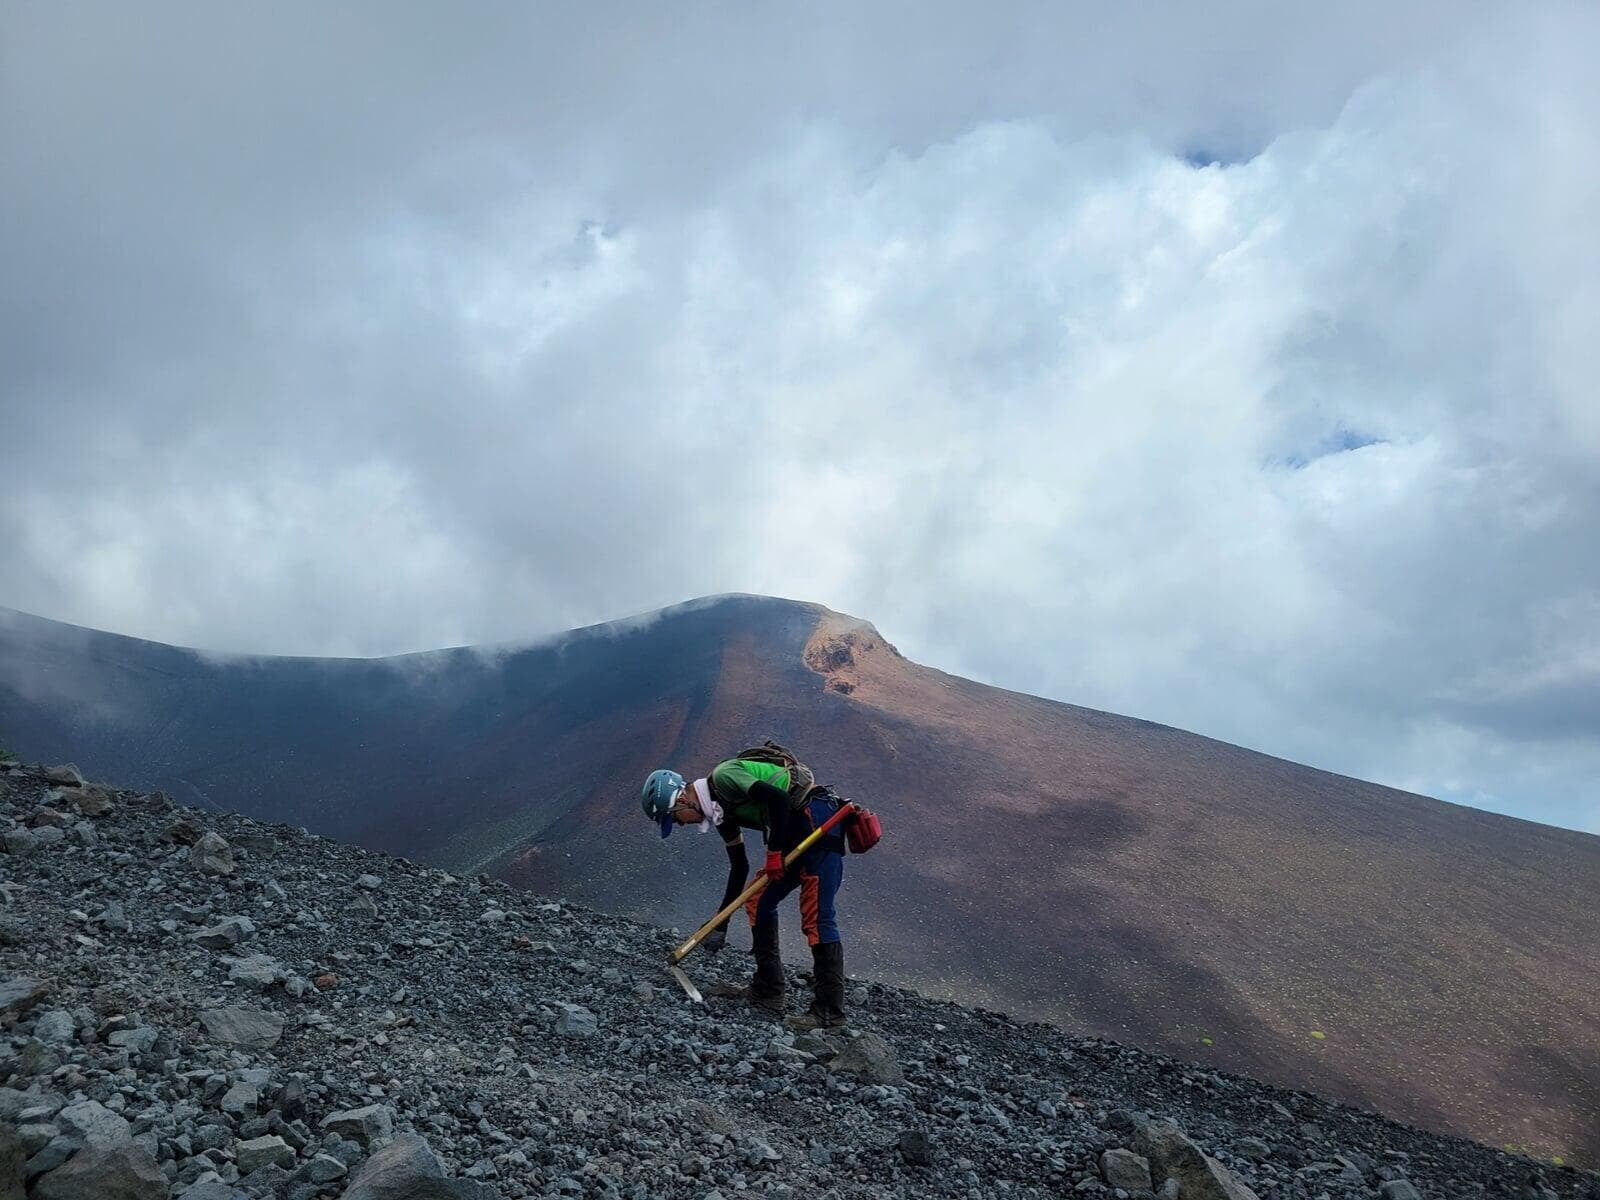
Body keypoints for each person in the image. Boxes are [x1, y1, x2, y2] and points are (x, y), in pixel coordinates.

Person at [642, 753, 849, 1029]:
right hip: (792, 832)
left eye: (674, 819)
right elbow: (739, 866)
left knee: (817, 917)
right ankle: (768, 991)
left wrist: (774, 853)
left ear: (680, 800)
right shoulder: (719, 812)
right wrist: (720, 923)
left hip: (816, 822)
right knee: (759, 900)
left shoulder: (725, 777)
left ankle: (829, 1013)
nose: (680, 824)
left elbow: (779, 799)